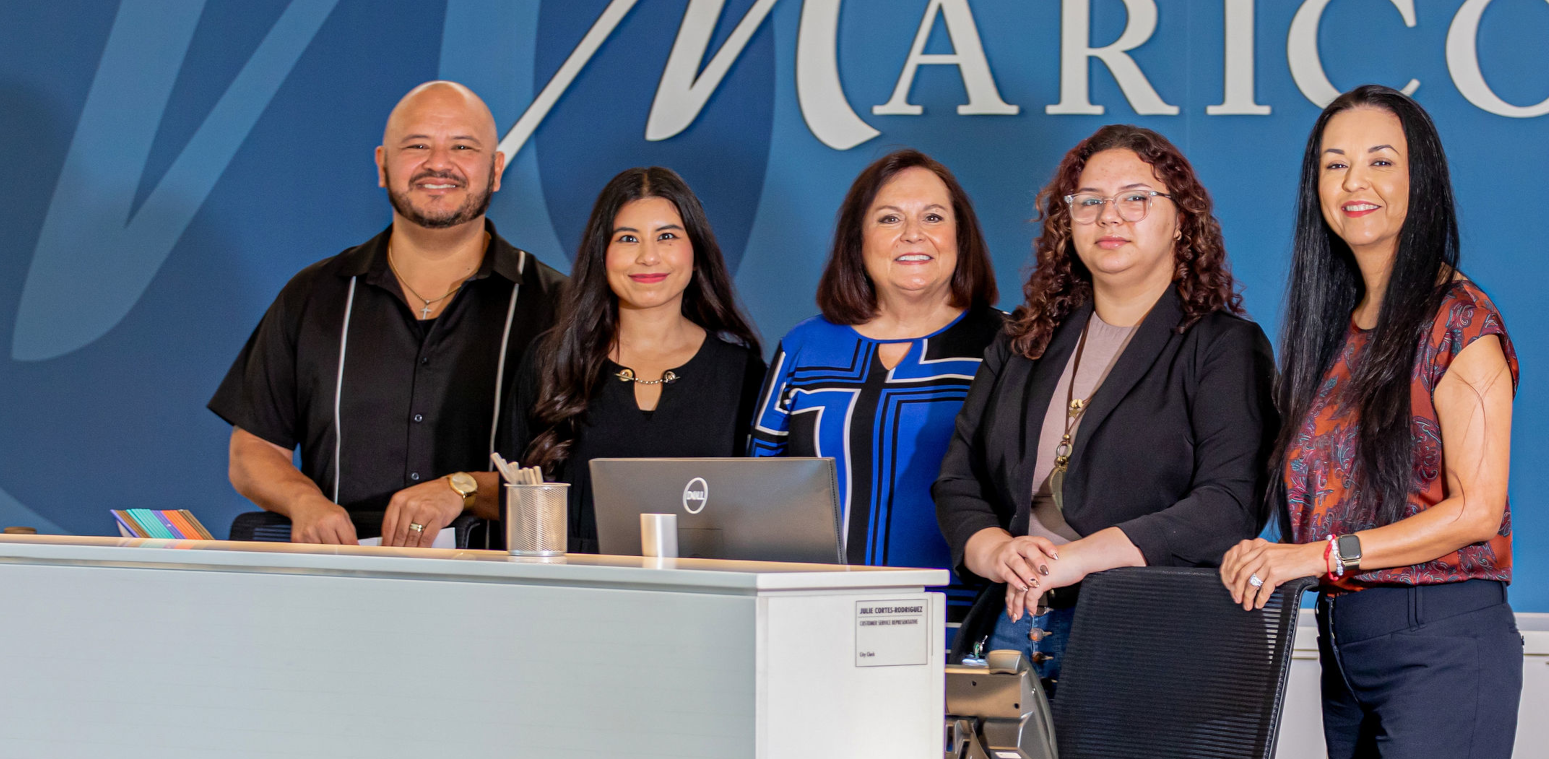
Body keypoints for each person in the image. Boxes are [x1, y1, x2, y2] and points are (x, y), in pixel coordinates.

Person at [1219, 84, 1521, 759]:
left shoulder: (1461, 320)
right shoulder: (1334, 331)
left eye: (1381, 161)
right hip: (1345, 643)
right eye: (1334, 164)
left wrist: (1321, 555)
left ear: (1422, 179)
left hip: (1440, 640)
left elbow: (1478, 510)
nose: (1355, 181)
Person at [933, 125, 1279, 681]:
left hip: (1152, 639)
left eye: (1135, 199)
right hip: (1012, 628)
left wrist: (1078, 558)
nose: (1109, 216)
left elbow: (1228, 503)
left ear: (1181, 221)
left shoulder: (1223, 347)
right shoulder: (1023, 339)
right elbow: (958, 480)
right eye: (1089, 201)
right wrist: (994, 549)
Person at [213, 81, 565, 547]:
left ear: (496, 169)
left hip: (494, 586)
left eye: (462, 146)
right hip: (338, 581)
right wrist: (303, 500)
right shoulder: (313, 296)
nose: (438, 163)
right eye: (417, 145)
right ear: (382, 164)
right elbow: (252, 452)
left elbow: (569, 476)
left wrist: (462, 490)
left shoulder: (557, 307)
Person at [751, 149, 1002, 591]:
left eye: (933, 218)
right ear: (858, 239)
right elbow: (756, 492)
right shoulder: (805, 347)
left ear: (961, 236)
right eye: (889, 219)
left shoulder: (1008, 345)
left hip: (962, 619)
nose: (912, 235)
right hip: (815, 612)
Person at [501, 167, 763, 554]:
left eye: (667, 236)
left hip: (704, 604)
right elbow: (515, 514)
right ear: (601, 255)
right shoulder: (550, 363)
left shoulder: (743, 375)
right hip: (574, 601)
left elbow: (762, 519)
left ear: (697, 253)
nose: (648, 256)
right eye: (627, 238)